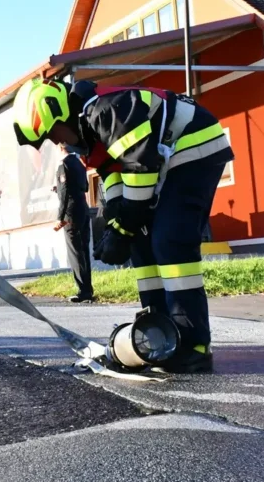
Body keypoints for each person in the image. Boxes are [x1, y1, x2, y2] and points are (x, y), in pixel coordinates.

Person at [12, 78, 233, 373]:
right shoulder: (87, 128)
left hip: (195, 144)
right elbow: (112, 172)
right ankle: (160, 333)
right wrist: (115, 223)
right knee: (141, 242)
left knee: (170, 240)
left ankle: (194, 345)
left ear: (60, 113)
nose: (55, 141)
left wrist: (123, 227)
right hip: (163, 159)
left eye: (52, 133)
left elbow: (140, 168)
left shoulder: (106, 110)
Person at [52, 143, 94, 303]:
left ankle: (83, 291)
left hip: (70, 213)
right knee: (83, 249)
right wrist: (60, 188)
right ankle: (88, 288)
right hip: (83, 208)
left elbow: (64, 193)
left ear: (60, 148)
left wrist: (59, 217)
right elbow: (85, 187)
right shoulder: (80, 164)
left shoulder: (63, 165)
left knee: (75, 252)